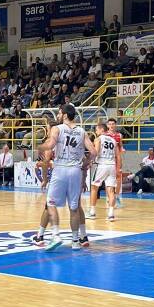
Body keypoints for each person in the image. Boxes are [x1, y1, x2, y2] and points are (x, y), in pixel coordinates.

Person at [38, 104, 95, 251]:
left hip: (61, 169)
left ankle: (56, 235)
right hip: (76, 171)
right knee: (74, 207)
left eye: (59, 113)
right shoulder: (82, 132)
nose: (57, 116)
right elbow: (94, 152)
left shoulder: (57, 129)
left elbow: (50, 144)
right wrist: (86, 163)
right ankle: (76, 241)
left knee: (50, 203)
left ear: (64, 115)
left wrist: (41, 147)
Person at [87, 122, 120, 221]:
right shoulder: (113, 140)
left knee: (94, 188)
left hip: (101, 165)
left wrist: (90, 161)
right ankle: (111, 214)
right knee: (111, 191)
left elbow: (95, 152)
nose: (96, 132)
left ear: (102, 130)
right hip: (112, 166)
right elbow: (118, 156)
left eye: (96, 130)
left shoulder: (98, 139)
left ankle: (92, 212)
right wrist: (118, 169)